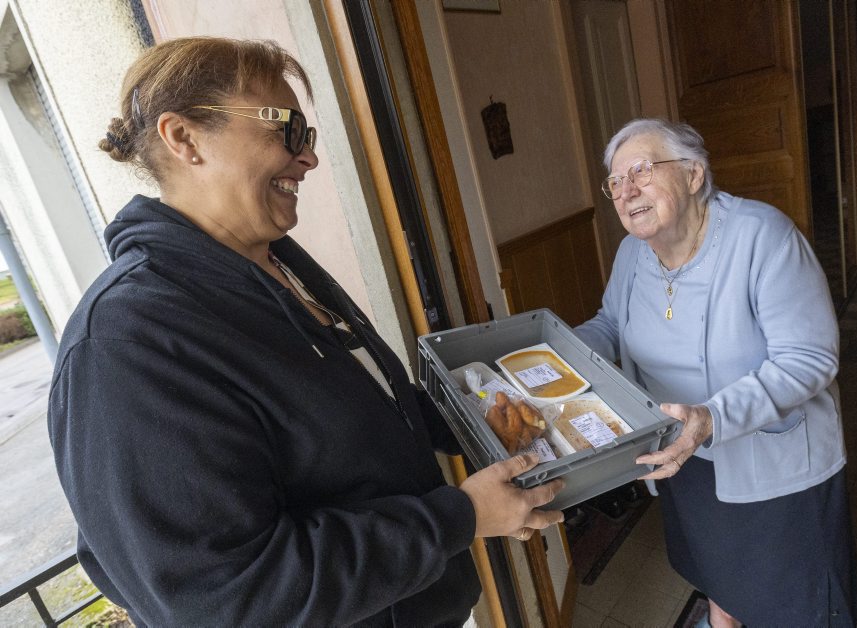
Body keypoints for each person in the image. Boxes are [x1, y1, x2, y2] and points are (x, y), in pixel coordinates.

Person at [47, 36, 563, 627]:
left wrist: (466, 425)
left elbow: (351, 407)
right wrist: (459, 518)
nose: (308, 158)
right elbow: (233, 598)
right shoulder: (125, 345)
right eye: (285, 128)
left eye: (307, 134)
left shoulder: (274, 264)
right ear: (184, 138)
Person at [575, 118, 857, 627]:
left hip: (771, 465)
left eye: (641, 170)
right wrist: (555, 357)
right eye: (615, 181)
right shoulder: (631, 254)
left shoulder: (763, 236)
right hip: (681, 455)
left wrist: (711, 418)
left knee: (794, 595)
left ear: (693, 175)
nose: (627, 190)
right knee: (716, 564)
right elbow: (611, 325)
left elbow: (809, 357)